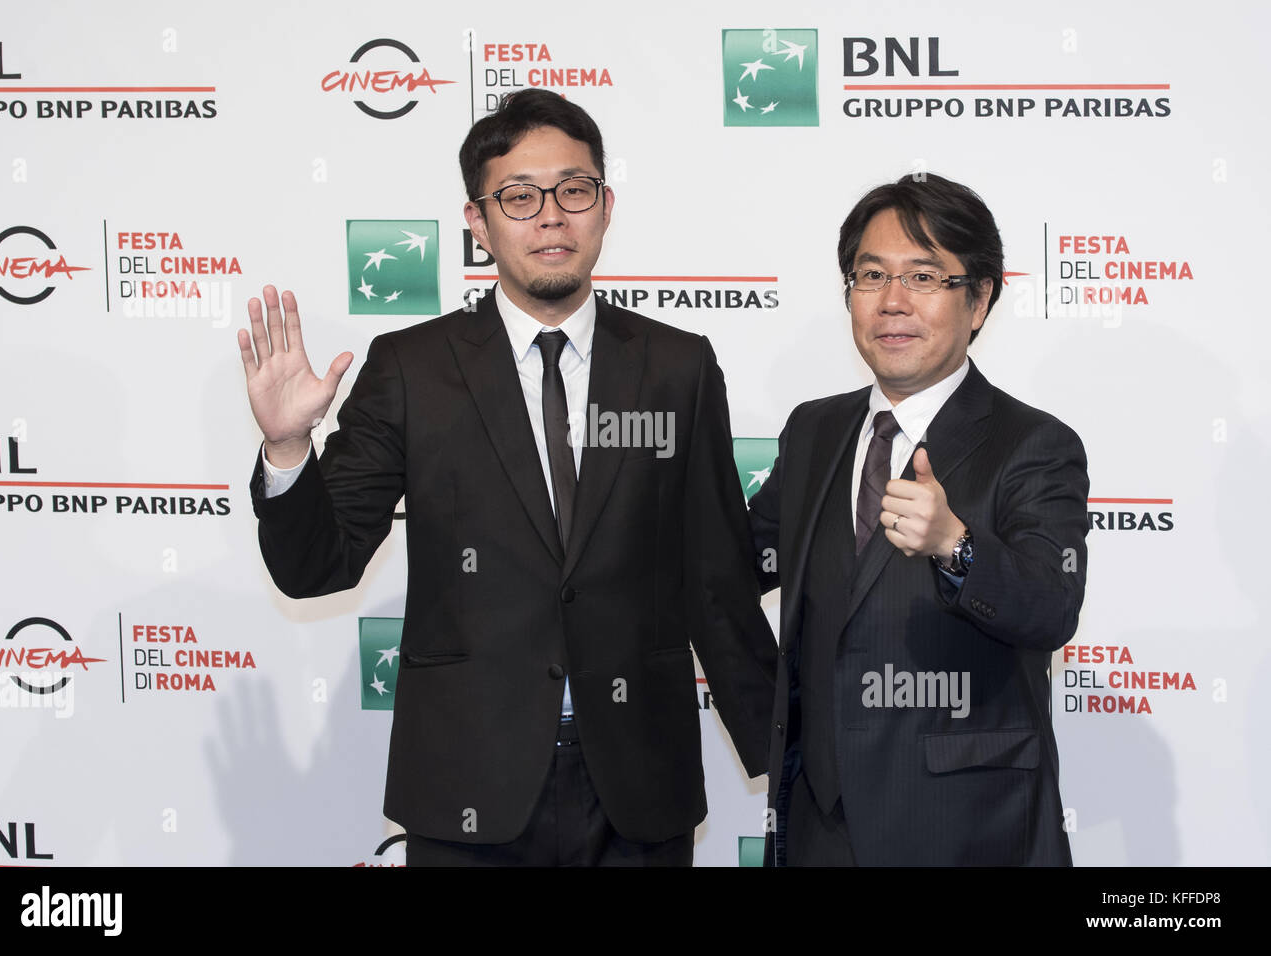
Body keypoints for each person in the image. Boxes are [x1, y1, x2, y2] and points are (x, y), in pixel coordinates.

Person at [238, 89, 776, 866]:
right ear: (477, 222)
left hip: (638, 785)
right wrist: (290, 451)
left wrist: (781, 754)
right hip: (467, 781)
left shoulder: (677, 366)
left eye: (574, 190)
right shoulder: (412, 369)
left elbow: (716, 578)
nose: (551, 216)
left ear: (606, 205)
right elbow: (317, 567)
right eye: (519, 197)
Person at [749, 173, 1088, 866]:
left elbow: (1050, 609)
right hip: (820, 822)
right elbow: (738, 560)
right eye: (871, 275)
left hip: (962, 826)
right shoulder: (815, 429)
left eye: (924, 276)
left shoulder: (1034, 444)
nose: (893, 301)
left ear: (980, 300)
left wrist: (954, 545)